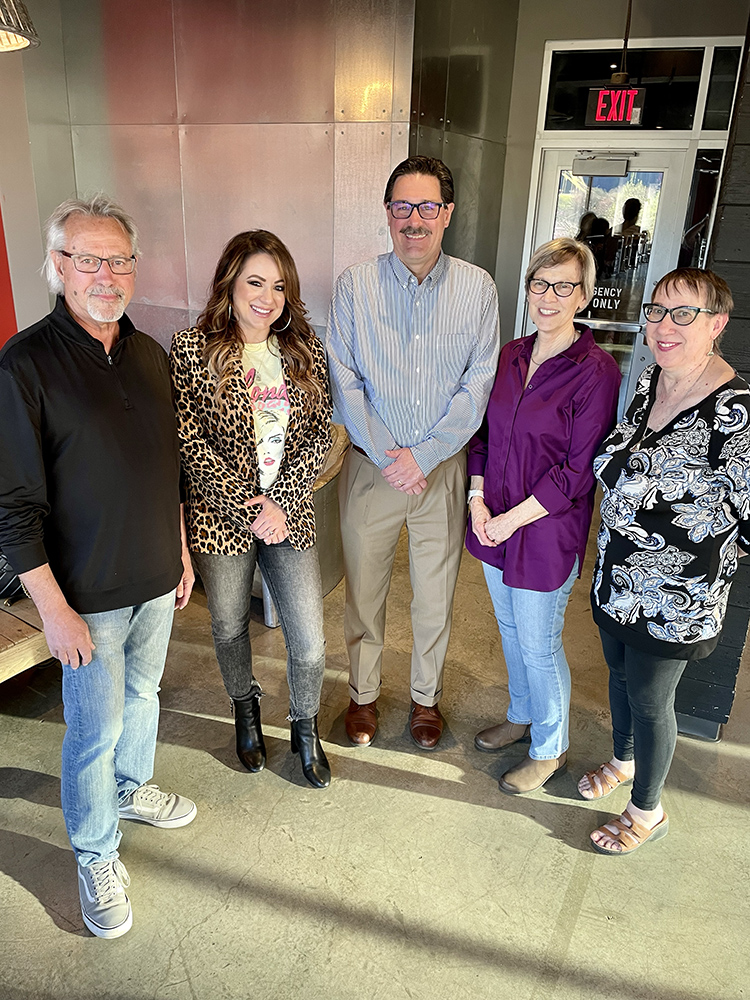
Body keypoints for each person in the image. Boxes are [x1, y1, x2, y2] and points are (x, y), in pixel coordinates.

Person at [0, 196, 196, 940]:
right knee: (93, 727)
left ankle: (129, 788)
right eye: (88, 258)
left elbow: (164, 466)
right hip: (86, 596)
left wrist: (177, 550)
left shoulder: (148, 353)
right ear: (57, 267)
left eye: (118, 259)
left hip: (152, 577)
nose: (105, 274)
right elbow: (12, 506)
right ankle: (94, 852)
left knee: (144, 698)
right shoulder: (25, 365)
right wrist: (51, 608)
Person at [327, 155, 500, 750]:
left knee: (435, 594)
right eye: (403, 207)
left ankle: (426, 700)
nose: (415, 220)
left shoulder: (477, 288)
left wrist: (423, 456)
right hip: (372, 471)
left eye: (428, 207)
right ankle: (362, 696)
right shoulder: (355, 285)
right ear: (388, 213)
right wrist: (388, 453)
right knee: (364, 591)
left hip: (441, 474)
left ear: (447, 214)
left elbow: (477, 385)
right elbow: (343, 381)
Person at [580, 267, 749, 854]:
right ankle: (624, 761)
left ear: (717, 324)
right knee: (620, 676)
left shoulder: (737, 412)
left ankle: (646, 811)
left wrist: (692, 546)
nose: (663, 326)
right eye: (656, 312)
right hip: (619, 573)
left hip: (676, 597)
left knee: (653, 700)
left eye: (684, 314)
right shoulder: (653, 379)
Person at [170, 230, 333, 789]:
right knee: (227, 624)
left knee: (309, 639)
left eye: (279, 286)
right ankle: (245, 708)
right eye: (255, 282)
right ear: (230, 284)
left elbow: (319, 436)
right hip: (221, 517)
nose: (267, 297)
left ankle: (304, 726)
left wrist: (281, 501)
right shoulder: (192, 349)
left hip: (287, 515)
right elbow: (191, 444)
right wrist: (249, 504)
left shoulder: (304, 350)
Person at [468, 238, 621, 793]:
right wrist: (478, 500)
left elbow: (578, 470)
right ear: (527, 289)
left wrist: (510, 520)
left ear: (583, 296)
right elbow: (483, 435)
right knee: (510, 630)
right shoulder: (509, 356)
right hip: (493, 520)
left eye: (564, 286)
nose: (549, 296)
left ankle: (549, 746)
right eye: (540, 284)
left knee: (539, 641)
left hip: (544, 532)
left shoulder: (596, 370)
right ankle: (522, 712)